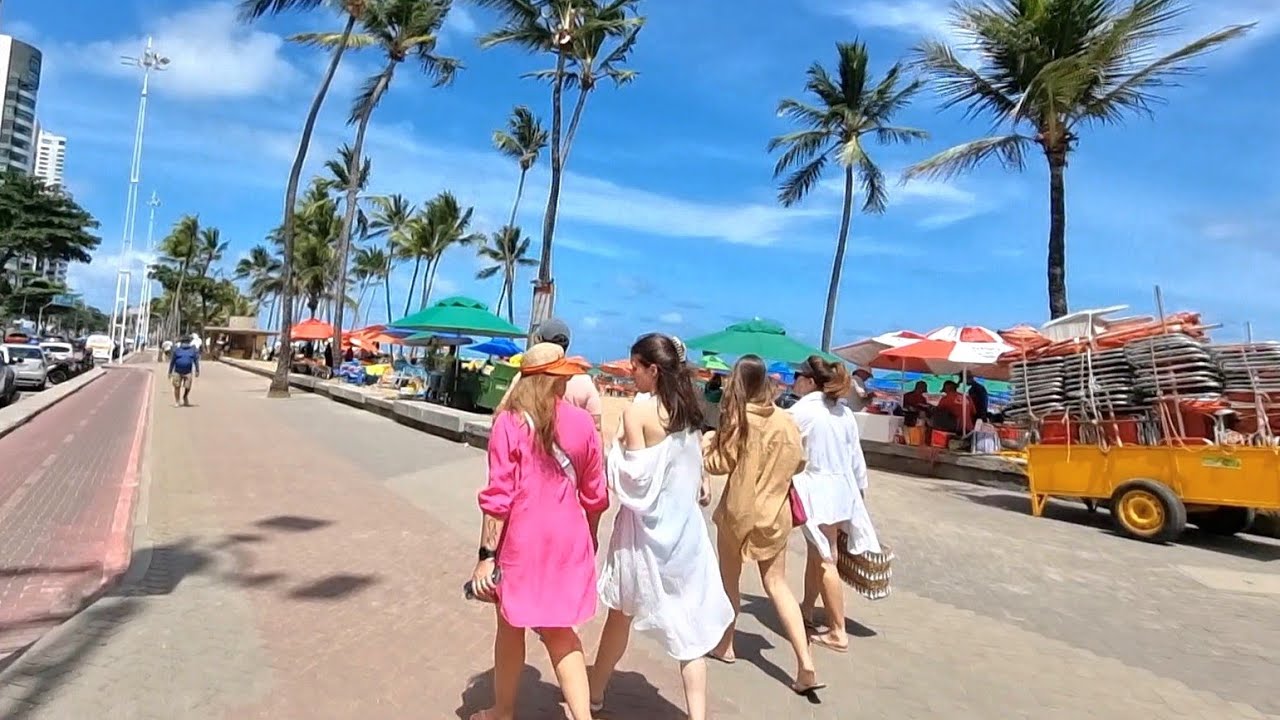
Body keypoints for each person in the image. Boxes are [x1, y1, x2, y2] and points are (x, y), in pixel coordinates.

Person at [589, 334, 732, 720]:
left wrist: (615, 449)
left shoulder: (638, 412)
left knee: (620, 615)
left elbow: (634, 482)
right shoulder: (688, 408)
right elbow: (692, 467)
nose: (630, 372)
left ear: (652, 369)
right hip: (685, 535)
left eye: (635, 366)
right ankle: (697, 715)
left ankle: (595, 694)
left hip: (643, 537)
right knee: (691, 632)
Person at [469, 343, 609, 720]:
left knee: (510, 625)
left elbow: (498, 496)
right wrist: (591, 535)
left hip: (522, 542)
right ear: (556, 380)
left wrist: (485, 557)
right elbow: (596, 494)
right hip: (569, 539)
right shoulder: (582, 423)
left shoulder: (508, 422)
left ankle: (503, 712)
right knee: (561, 631)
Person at [703, 355, 823, 695]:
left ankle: (726, 644)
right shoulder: (786, 421)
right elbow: (799, 463)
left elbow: (718, 464)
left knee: (730, 581)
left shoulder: (740, 420)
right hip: (776, 512)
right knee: (777, 585)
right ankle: (805, 661)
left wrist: (708, 443)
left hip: (739, 512)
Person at [790, 355, 882, 654]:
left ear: (809, 381)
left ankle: (838, 630)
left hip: (817, 490)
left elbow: (785, 449)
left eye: (797, 377)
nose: (794, 382)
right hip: (842, 490)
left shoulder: (801, 412)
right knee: (818, 552)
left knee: (826, 557)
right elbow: (857, 458)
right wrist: (860, 493)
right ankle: (806, 608)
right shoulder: (843, 413)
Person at [499, 319, 603, 433]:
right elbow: (596, 428)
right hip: (569, 440)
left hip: (528, 437)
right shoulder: (584, 381)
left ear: (539, 341)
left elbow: (502, 414)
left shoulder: (526, 377)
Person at [168, 335, 201, 408]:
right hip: (177, 371)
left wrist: (197, 370)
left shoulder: (192, 350)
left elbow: (196, 361)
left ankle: (185, 396)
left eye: (186, 342)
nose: (185, 344)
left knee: (188, 386)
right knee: (177, 386)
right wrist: (170, 372)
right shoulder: (177, 350)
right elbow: (172, 361)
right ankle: (177, 401)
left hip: (188, 372)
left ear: (189, 343)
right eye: (184, 342)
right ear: (181, 343)